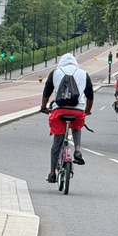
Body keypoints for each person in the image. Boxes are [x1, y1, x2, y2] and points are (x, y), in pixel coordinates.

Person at [40, 53, 94, 183]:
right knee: (77, 127)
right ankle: (77, 150)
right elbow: (90, 95)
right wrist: (86, 111)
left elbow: (46, 92)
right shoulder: (83, 73)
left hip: (59, 109)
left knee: (56, 143)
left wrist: (43, 107)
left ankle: (52, 174)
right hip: (78, 110)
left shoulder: (56, 72)